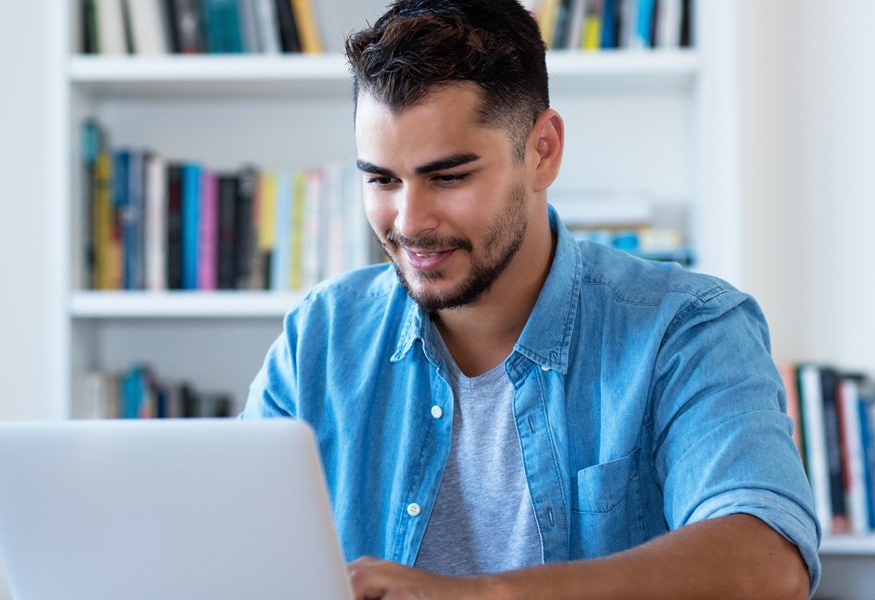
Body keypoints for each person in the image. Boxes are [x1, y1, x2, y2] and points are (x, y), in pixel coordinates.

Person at [239, 1, 818, 597]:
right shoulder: (322, 333)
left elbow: (768, 563)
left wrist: (481, 594)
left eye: (449, 177)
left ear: (542, 150)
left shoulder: (687, 327)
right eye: (382, 180)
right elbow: (229, 544)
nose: (409, 222)